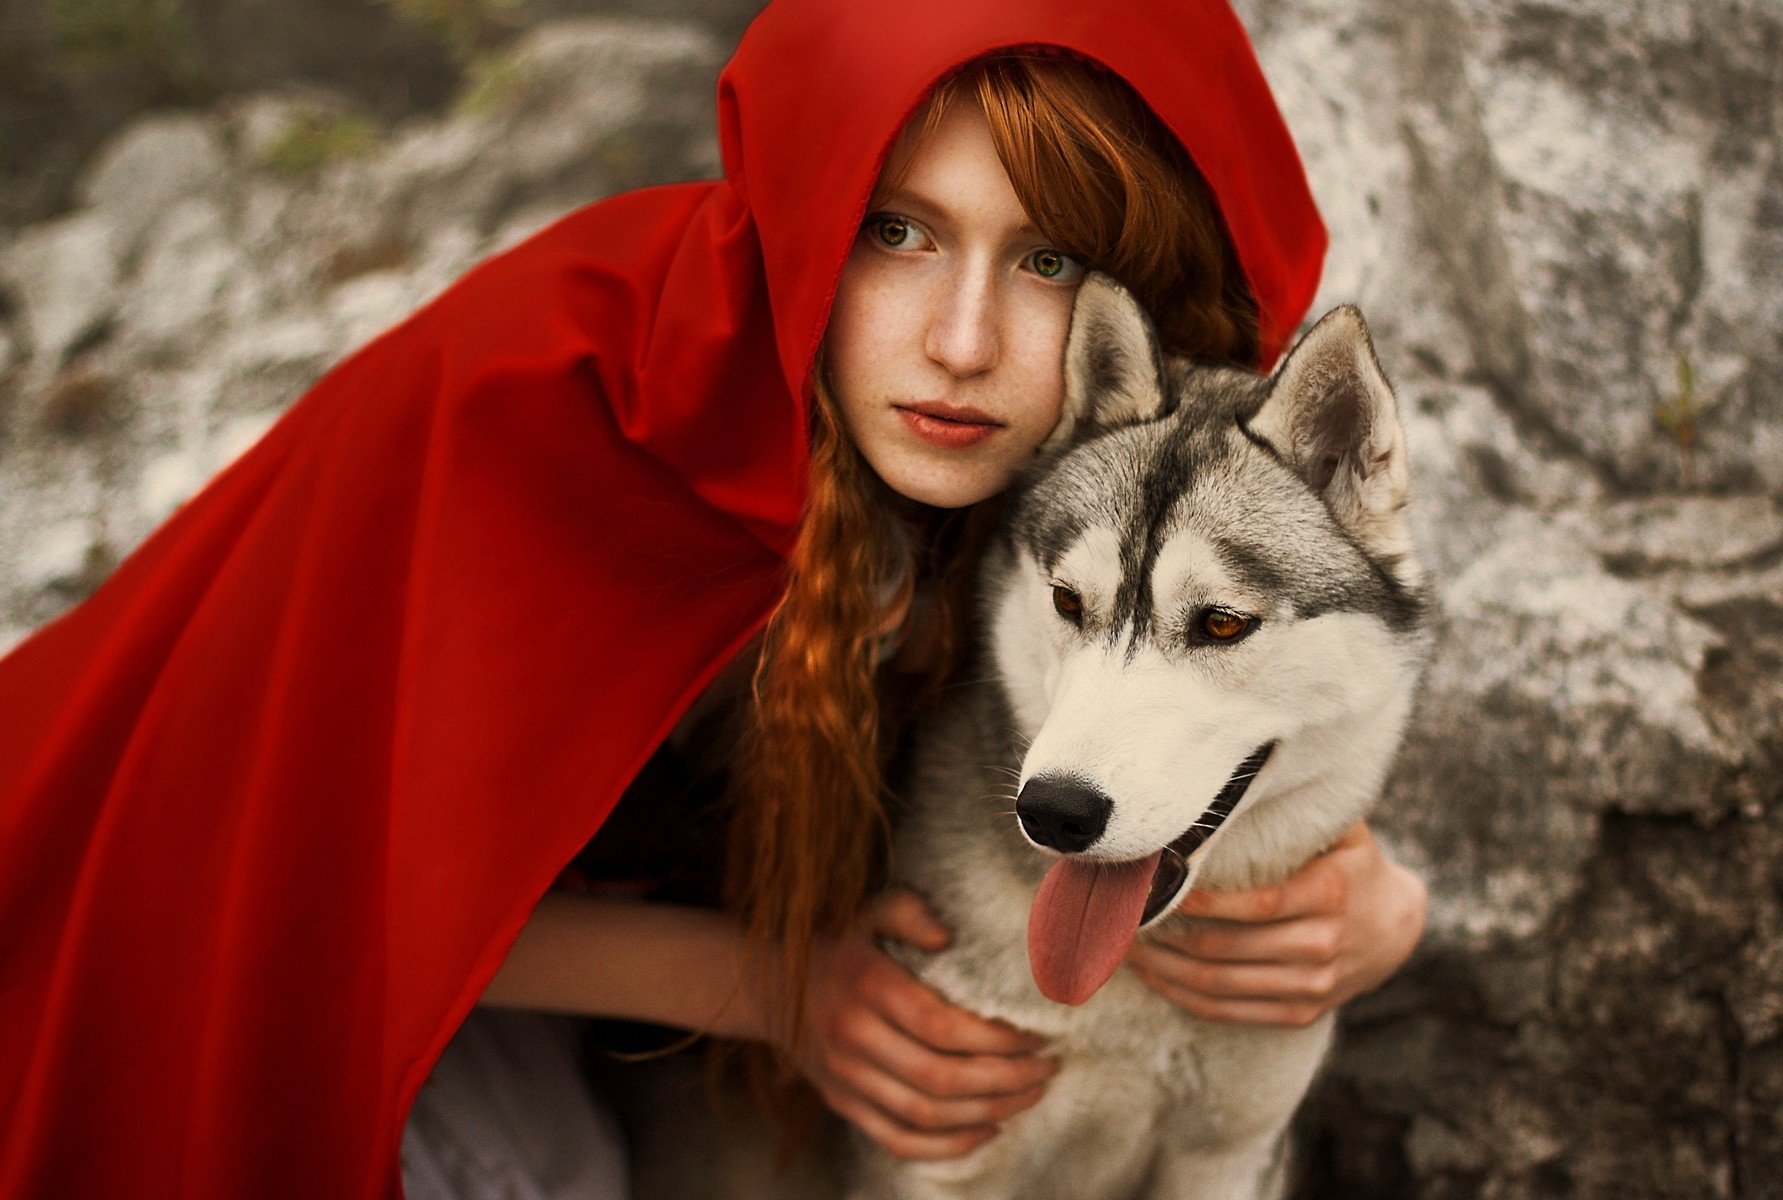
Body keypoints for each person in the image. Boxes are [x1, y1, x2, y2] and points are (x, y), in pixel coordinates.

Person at [0, 0, 1427, 1196]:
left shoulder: (1105, 448)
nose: (964, 339)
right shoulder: (539, 411)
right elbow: (297, 876)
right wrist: (765, 989)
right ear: (810, 212)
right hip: (254, 985)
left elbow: (1247, 663)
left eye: (1051, 259)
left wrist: (1369, 900)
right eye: (896, 231)